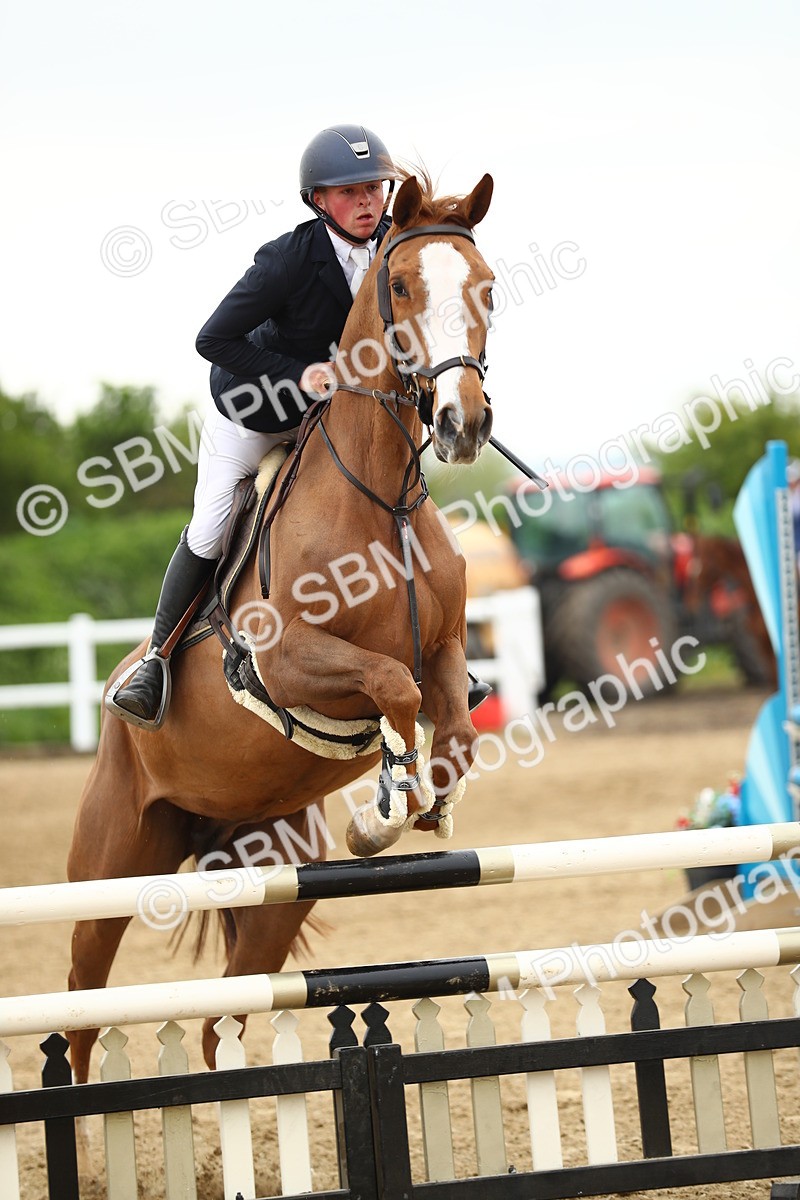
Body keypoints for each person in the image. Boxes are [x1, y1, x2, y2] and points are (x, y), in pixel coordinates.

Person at [110, 123, 395, 727]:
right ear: (319, 200)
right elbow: (212, 339)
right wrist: (299, 373)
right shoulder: (286, 260)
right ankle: (156, 662)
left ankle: (433, 646)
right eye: (350, 191)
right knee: (211, 527)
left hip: (332, 418)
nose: (367, 201)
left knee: (394, 498)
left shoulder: (395, 247)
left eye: (374, 187)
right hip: (255, 413)